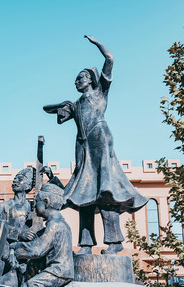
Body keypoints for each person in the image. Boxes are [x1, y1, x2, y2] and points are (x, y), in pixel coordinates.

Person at [43, 35, 148, 255]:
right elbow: (48, 109)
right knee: (84, 195)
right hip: (83, 148)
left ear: (91, 79)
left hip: (100, 140)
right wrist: (63, 104)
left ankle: (115, 242)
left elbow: (109, 59)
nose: (77, 81)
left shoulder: (100, 92)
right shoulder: (75, 105)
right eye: (75, 80)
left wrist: (97, 43)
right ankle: (86, 244)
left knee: (105, 192)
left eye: (80, 78)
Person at [9, 183, 73, 287]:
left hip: (59, 270)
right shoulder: (56, 224)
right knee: (34, 264)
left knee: (36, 284)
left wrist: (16, 248)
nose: (34, 205)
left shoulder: (55, 225)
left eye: (36, 201)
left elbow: (37, 250)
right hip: (56, 268)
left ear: (46, 202)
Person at [0, 167, 36, 287]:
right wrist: (19, 233)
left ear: (28, 185)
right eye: (14, 179)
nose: (15, 181)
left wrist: (51, 178)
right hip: (6, 249)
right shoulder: (2, 206)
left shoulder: (34, 207)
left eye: (19, 179)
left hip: (28, 250)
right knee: (6, 284)